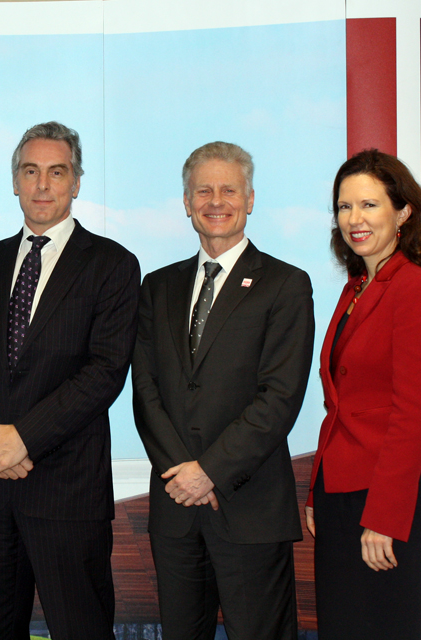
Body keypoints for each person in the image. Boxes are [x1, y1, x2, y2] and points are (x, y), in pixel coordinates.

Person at [0, 121, 140, 640]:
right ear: (15, 181)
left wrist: (22, 439)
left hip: (67, 492)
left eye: (57, 172)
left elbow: (105, 372)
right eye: (31, 171)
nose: (43, 185)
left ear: (76, 183)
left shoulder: (112, 265)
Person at [132, 141, 314, 640]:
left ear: (250, 199)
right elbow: (145, 391)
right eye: (203, 191)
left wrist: (209, 473)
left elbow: (279, 398)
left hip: (250, 509)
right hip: (175, 510)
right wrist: (183, 475)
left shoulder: (286, 284)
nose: (217, 201)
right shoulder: (157, 287)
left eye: (229, 189)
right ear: (187, 203)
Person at [305, 149, 421, 640]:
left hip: (389, 503)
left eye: (369, 205)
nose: (354, 219)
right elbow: (340, 405)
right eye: (344, 207)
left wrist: (383, 517)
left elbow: (413, 416)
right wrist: (316, 490)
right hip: (339, 497)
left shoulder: (414, 289)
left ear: (403, 211)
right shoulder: (356, 288)